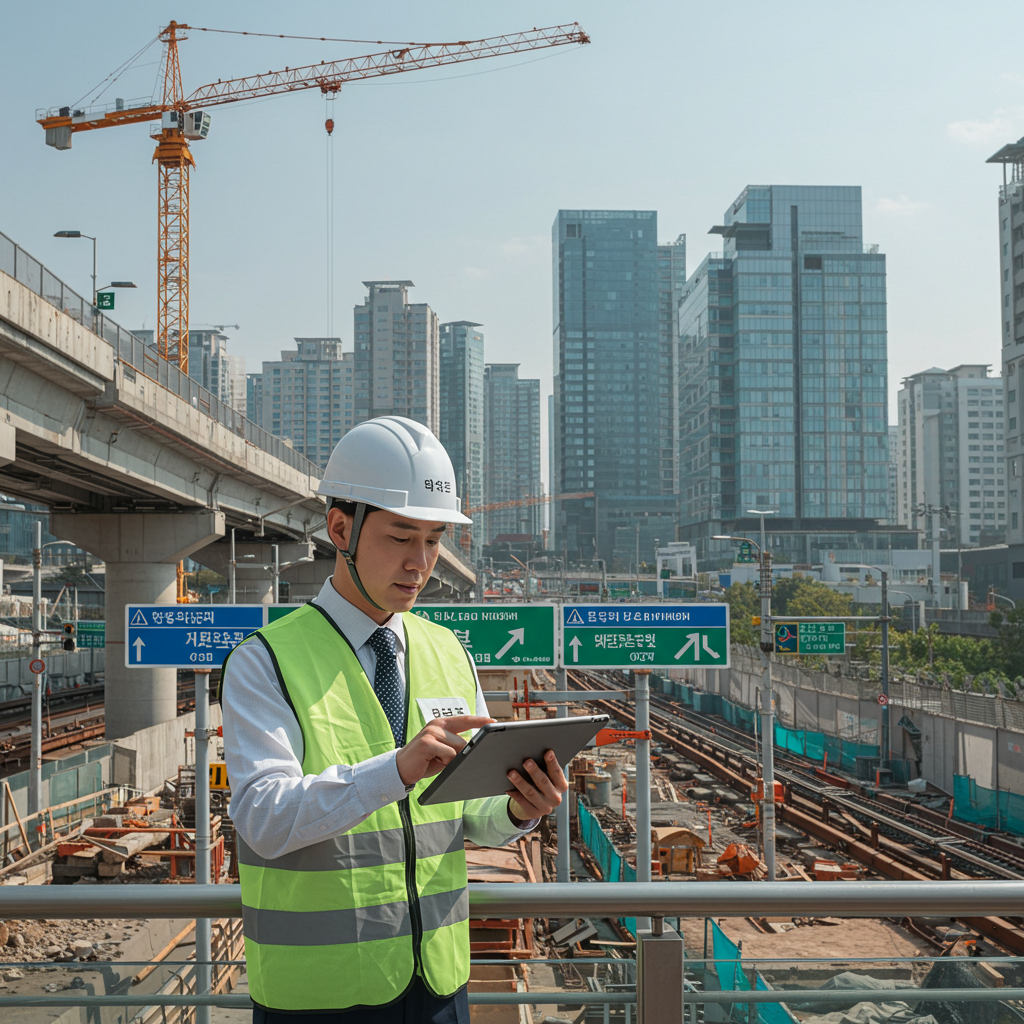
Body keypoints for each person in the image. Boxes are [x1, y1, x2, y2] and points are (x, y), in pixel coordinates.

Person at [221, 416, 567, 1023]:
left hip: (437, 985)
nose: (420, 562)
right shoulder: (264, 661)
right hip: (318, 997)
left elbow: (464, 817)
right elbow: (262, 818)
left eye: (434, 540)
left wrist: (517, 809)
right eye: (401, 537)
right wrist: (396, 769)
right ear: (340, 529)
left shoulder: (448, 652)